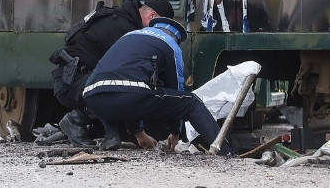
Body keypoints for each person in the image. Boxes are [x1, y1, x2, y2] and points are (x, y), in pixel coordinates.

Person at [83, 16, 231, 154]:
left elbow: (122, 81)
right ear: (177, 38)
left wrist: (139, 133)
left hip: (93, 98)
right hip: (129, 97)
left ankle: (111, 136)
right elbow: (176, 90)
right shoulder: (171, 45)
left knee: (128, 90)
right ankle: (225, 151)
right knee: (190, 102)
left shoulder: (129, 36)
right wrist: (175, 132)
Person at [49, 0, 175, 146]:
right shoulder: (122, 29)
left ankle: (111, 136)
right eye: (159, 26)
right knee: (119, 86)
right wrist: (139, 132)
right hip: (71, 84)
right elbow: (127, 81)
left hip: (82, 80)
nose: (158, 32)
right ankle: (74, 120)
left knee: (115, 85)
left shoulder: (123, 21)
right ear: (152, 16)